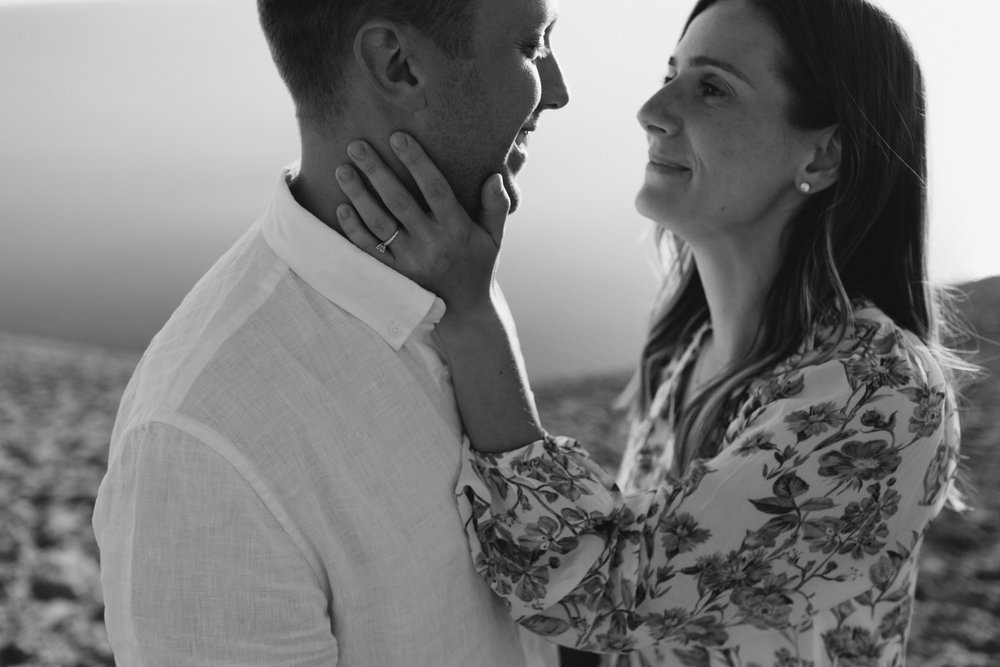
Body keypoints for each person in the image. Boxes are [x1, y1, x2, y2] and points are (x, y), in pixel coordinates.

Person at [333, 0, 968, 664]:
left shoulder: (881, 393)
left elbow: (608, 591)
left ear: (825, 152)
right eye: (671, 72)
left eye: (712, 87)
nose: (652, 108)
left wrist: (471, 314)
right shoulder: (690, 356)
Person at [91, 1, 568, 665]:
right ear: (398, 65)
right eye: (532, 44)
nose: (561, 90)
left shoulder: (453, 266)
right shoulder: (202, 443)